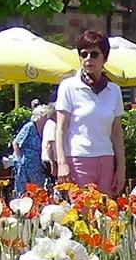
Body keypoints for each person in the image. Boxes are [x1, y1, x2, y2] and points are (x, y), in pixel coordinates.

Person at [53, 30, 125, 194]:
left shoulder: (114, 90)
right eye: (83, 54)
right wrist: (62, 163)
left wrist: (121, 168)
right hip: (78, 159)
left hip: (106, 158)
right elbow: (61, 129)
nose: (88, 59)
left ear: (104, 58)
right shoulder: (68, 86)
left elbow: (116, 133)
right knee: (84, 212)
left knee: (106, 214)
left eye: (94, 54)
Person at [10, 103, 52, 197]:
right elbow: (16, 142)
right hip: (25, 163)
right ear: (40, 116)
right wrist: (19, 159)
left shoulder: (45, 129)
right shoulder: (29, 126)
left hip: (36, 165)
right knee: (23, 191)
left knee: (38, 190)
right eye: (46, 116)